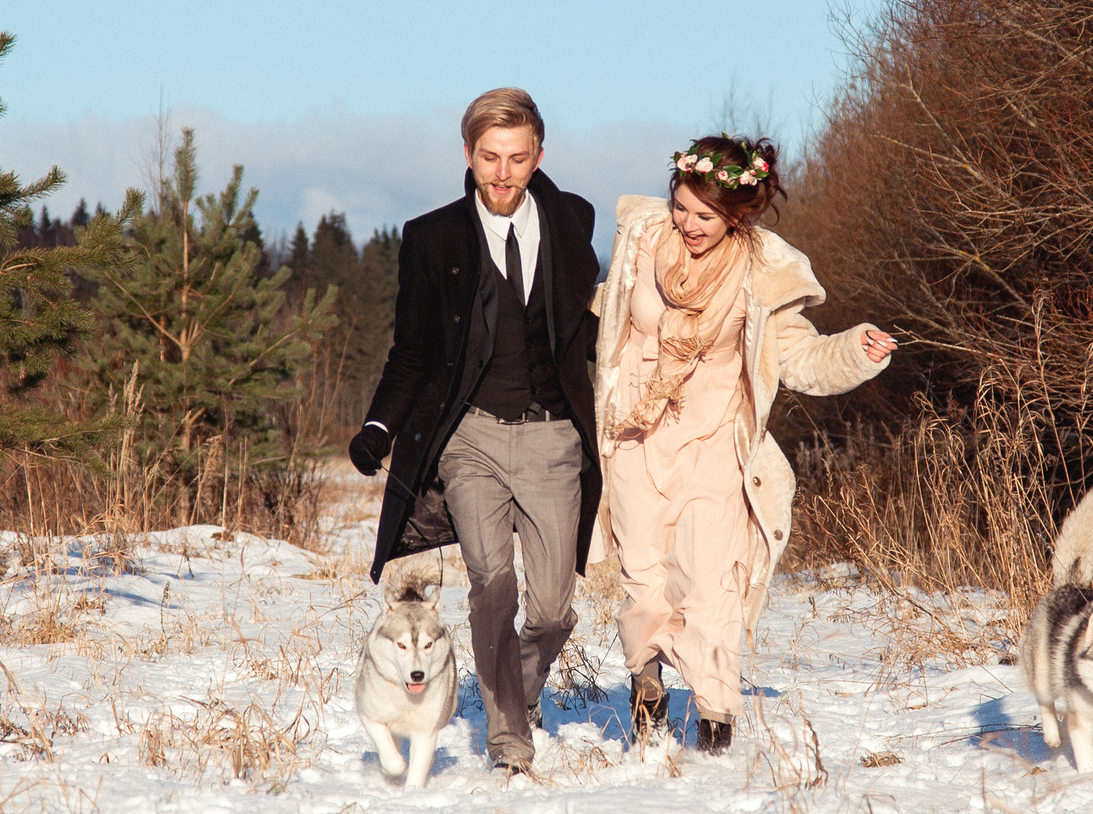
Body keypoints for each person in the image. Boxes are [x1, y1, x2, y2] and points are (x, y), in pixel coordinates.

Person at [590, 135, 895, 754]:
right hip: (634, 437)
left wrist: (855, 350)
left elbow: (802, 358)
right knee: (642, 575)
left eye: (705, 215)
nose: (688, 224)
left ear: (737, 215)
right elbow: (602, 327)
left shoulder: (764, 269)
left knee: (709, 580)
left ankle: (715, 713)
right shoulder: (641, 242)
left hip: (714, 445)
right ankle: (646, 686)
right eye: (680, 207)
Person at [350, 89, 601, 778]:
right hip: (472, 440)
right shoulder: (431, 238)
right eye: (489, 156)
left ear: (538, 157)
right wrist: (379, 425)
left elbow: (586, 327)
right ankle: (508, 736)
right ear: (468, 155)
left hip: (553, 437)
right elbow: (413, 351)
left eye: (517, 158)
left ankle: (511, 685)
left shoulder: (572, 220)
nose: (502, 171)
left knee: (551, 609)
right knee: (493, 585)